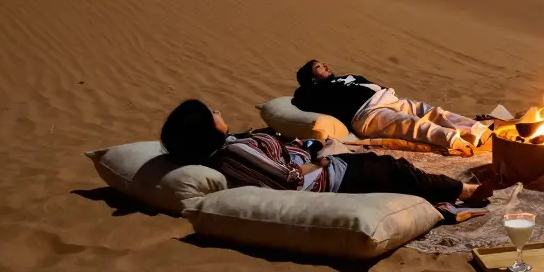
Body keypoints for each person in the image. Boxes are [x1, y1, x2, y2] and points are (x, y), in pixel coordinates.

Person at [160, 99, 493, 205]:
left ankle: (446, 189)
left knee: (383, 163)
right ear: (204, 127)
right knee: (396, 170)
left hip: (325, 166)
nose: (218, 112)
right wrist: (314, 158)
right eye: (212, 113)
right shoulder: (234, 154)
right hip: (327, 178)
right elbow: (287, 180)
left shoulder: (230, 147)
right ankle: (464, 191)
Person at [291, 59, 490, 156]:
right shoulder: (315, 92)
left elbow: (368, 83)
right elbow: (300, 98)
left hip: (388, 99)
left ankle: (478, 131)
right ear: (311, 79)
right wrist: (311, 86)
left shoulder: (345, 78)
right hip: (367, 114)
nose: (325, 66)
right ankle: (454, 141)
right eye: (318, 67)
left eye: (323, 64)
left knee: (433, 112)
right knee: (412, 125)